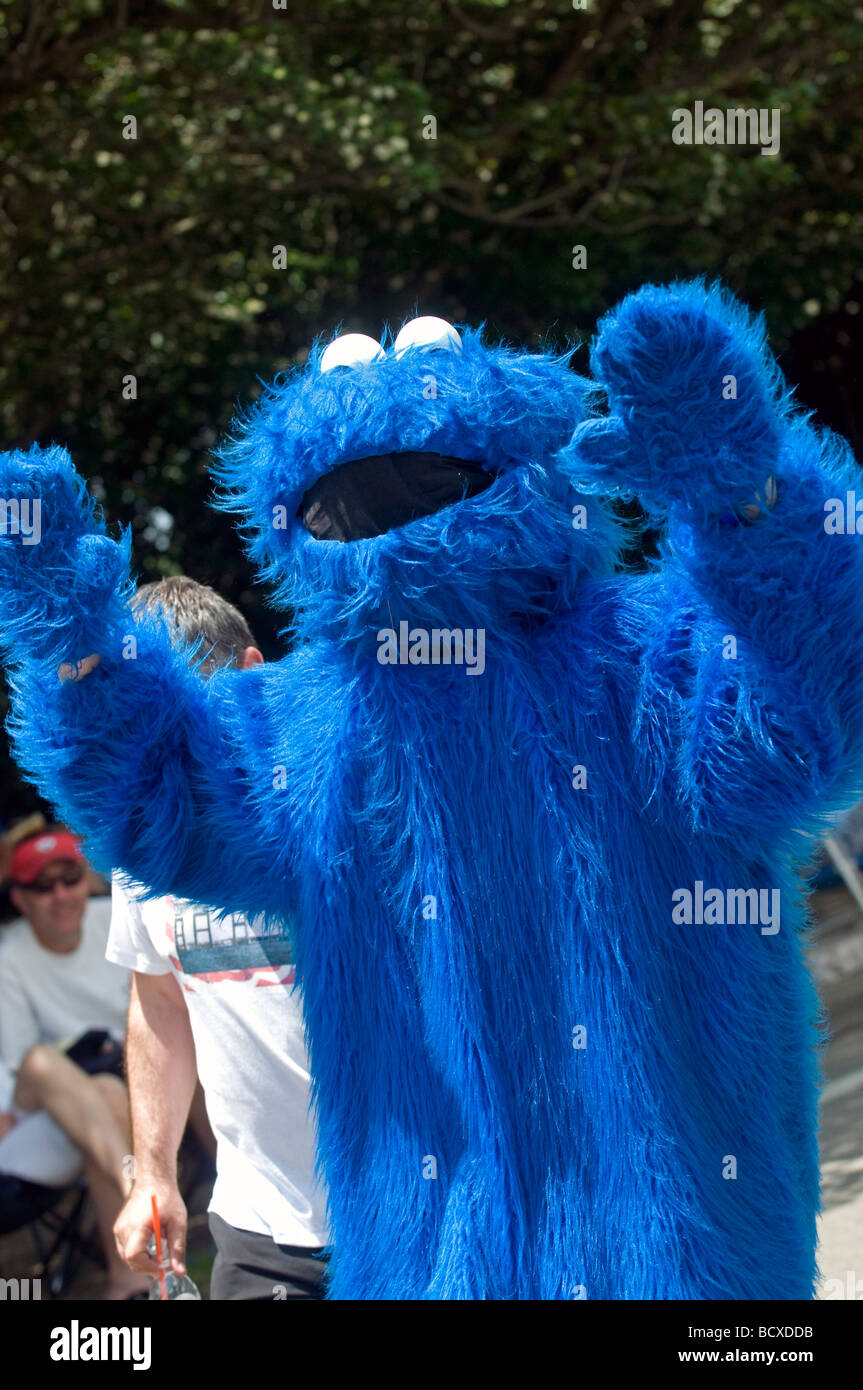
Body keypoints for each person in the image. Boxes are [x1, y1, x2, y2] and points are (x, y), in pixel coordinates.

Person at [109, 577, 329, 1299]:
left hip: (413, 1208)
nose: (181, 755)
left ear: (253, 671)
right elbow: (160, 1000)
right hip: (259, 1225)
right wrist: (155, 1172)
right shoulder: (142, 832)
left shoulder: (344, 797)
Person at [0, 824, 149, 1298]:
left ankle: (129, 1282)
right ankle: (139, 1193)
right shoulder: (9, 958)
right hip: (32, 1115)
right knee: (42, 1060)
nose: (60, 895)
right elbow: (12, 1066)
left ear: (87, 880)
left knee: (107, 1092)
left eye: (70, 878)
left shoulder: (118, 920)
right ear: (21, 900)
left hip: (116, 1094)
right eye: (43, 886)